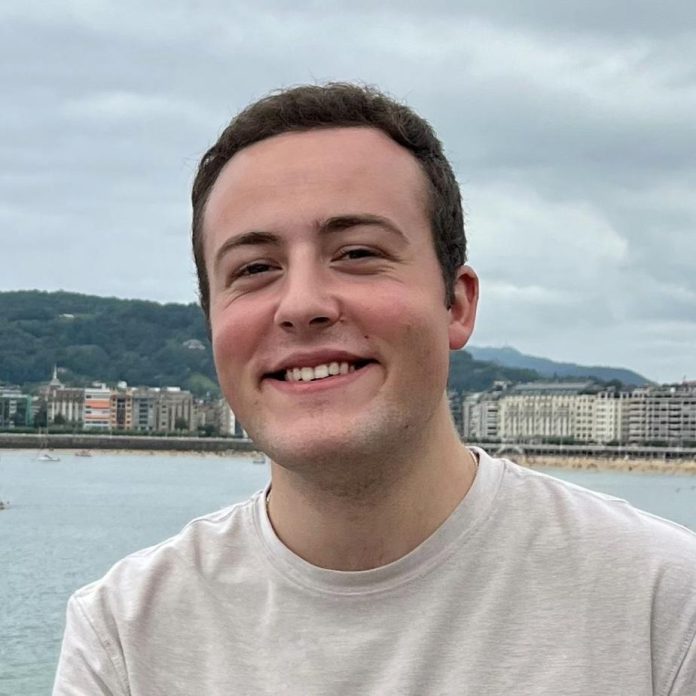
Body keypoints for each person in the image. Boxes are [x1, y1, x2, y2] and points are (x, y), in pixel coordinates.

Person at [53, 83, 696, 695]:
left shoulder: (664, 604)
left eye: (358, 253)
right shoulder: (125, 636)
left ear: (456, 304)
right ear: (213, 325)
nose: (301, 305)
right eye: (254, 268)